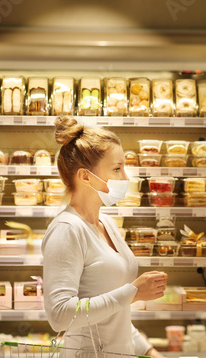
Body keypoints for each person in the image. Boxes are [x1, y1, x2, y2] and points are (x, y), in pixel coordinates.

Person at [42, 116, 167, 357]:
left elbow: (115, 315)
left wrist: (149, 351)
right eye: (117, 169)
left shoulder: (107, 224)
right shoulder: (67, 229)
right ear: (86, 176)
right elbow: (59, 315)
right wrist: (133, 292)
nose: (126, 179)